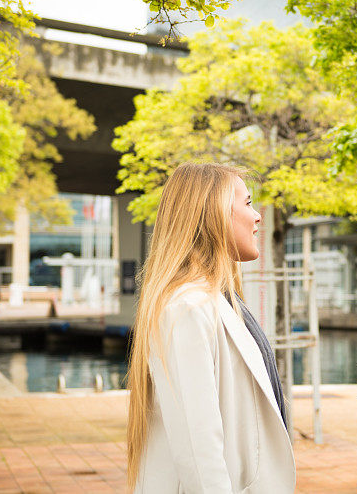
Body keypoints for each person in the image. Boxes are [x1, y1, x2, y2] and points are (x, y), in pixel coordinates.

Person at [126, 163, 295, 493]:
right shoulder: (188, 308)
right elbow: (198, 448)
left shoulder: (215, 303)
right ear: (213, 214)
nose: (258, 216)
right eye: (247, 203)